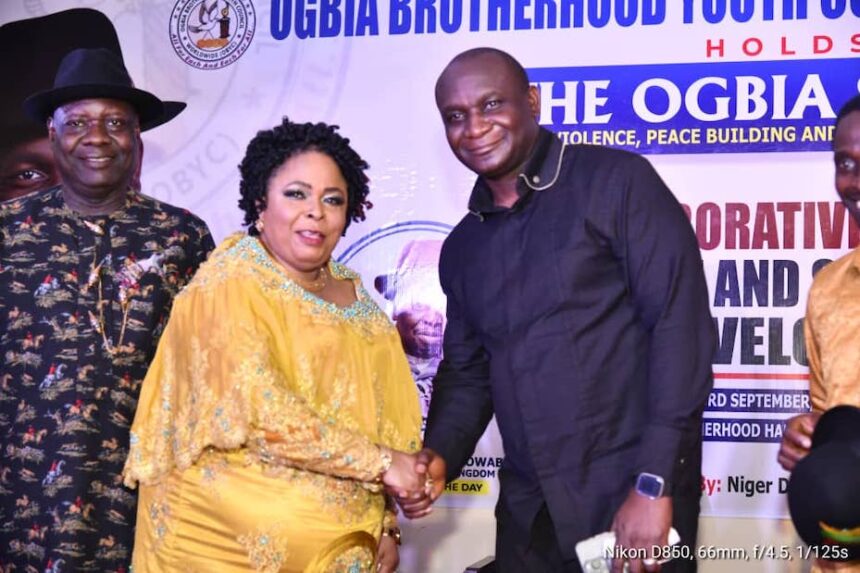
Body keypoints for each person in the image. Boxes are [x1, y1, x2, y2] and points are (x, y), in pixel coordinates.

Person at [399, 47, 715, 573]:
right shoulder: (463, 246)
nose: (474, 127)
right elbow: (469, 375)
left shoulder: (616, 183)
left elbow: (680, 329)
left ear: (532, 101)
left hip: (628, 496)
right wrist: (439, 457)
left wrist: (654, 483)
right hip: (530, 513)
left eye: (492, 103)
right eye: (456, 116)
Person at [122, 118, 426, 572]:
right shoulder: (229, 282)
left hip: (339, 548)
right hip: (218, 550)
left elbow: (383, 414)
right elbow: (260, 410)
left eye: (332, 199)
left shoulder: (354, 294)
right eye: (296, 194)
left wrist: (385, 521)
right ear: (261, 203)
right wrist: (383, 464)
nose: (315, 212)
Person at [0, 47, 213, 571]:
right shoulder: (7, 231)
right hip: (24, 499)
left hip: (144, 494)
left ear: (137, 137)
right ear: (52, 135)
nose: (96, 137)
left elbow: (211, 369)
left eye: (116, 122)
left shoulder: (182, 236)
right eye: (78, 123)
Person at [777, 94, 860, 573]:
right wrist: (808, 440)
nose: (854, 180)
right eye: (844, 163)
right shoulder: (828, 290)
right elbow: (831, 416)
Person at [0, 9, 185, 202]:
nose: (72, 191)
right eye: (28, 176)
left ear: (136, 165)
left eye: (97, 162)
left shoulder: (180, 229)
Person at [375, 239, 446, 429]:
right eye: (420, 304)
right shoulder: (367, 370)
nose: (432, 318)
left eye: (442, 305)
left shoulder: (469, 377)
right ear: (395, 307)